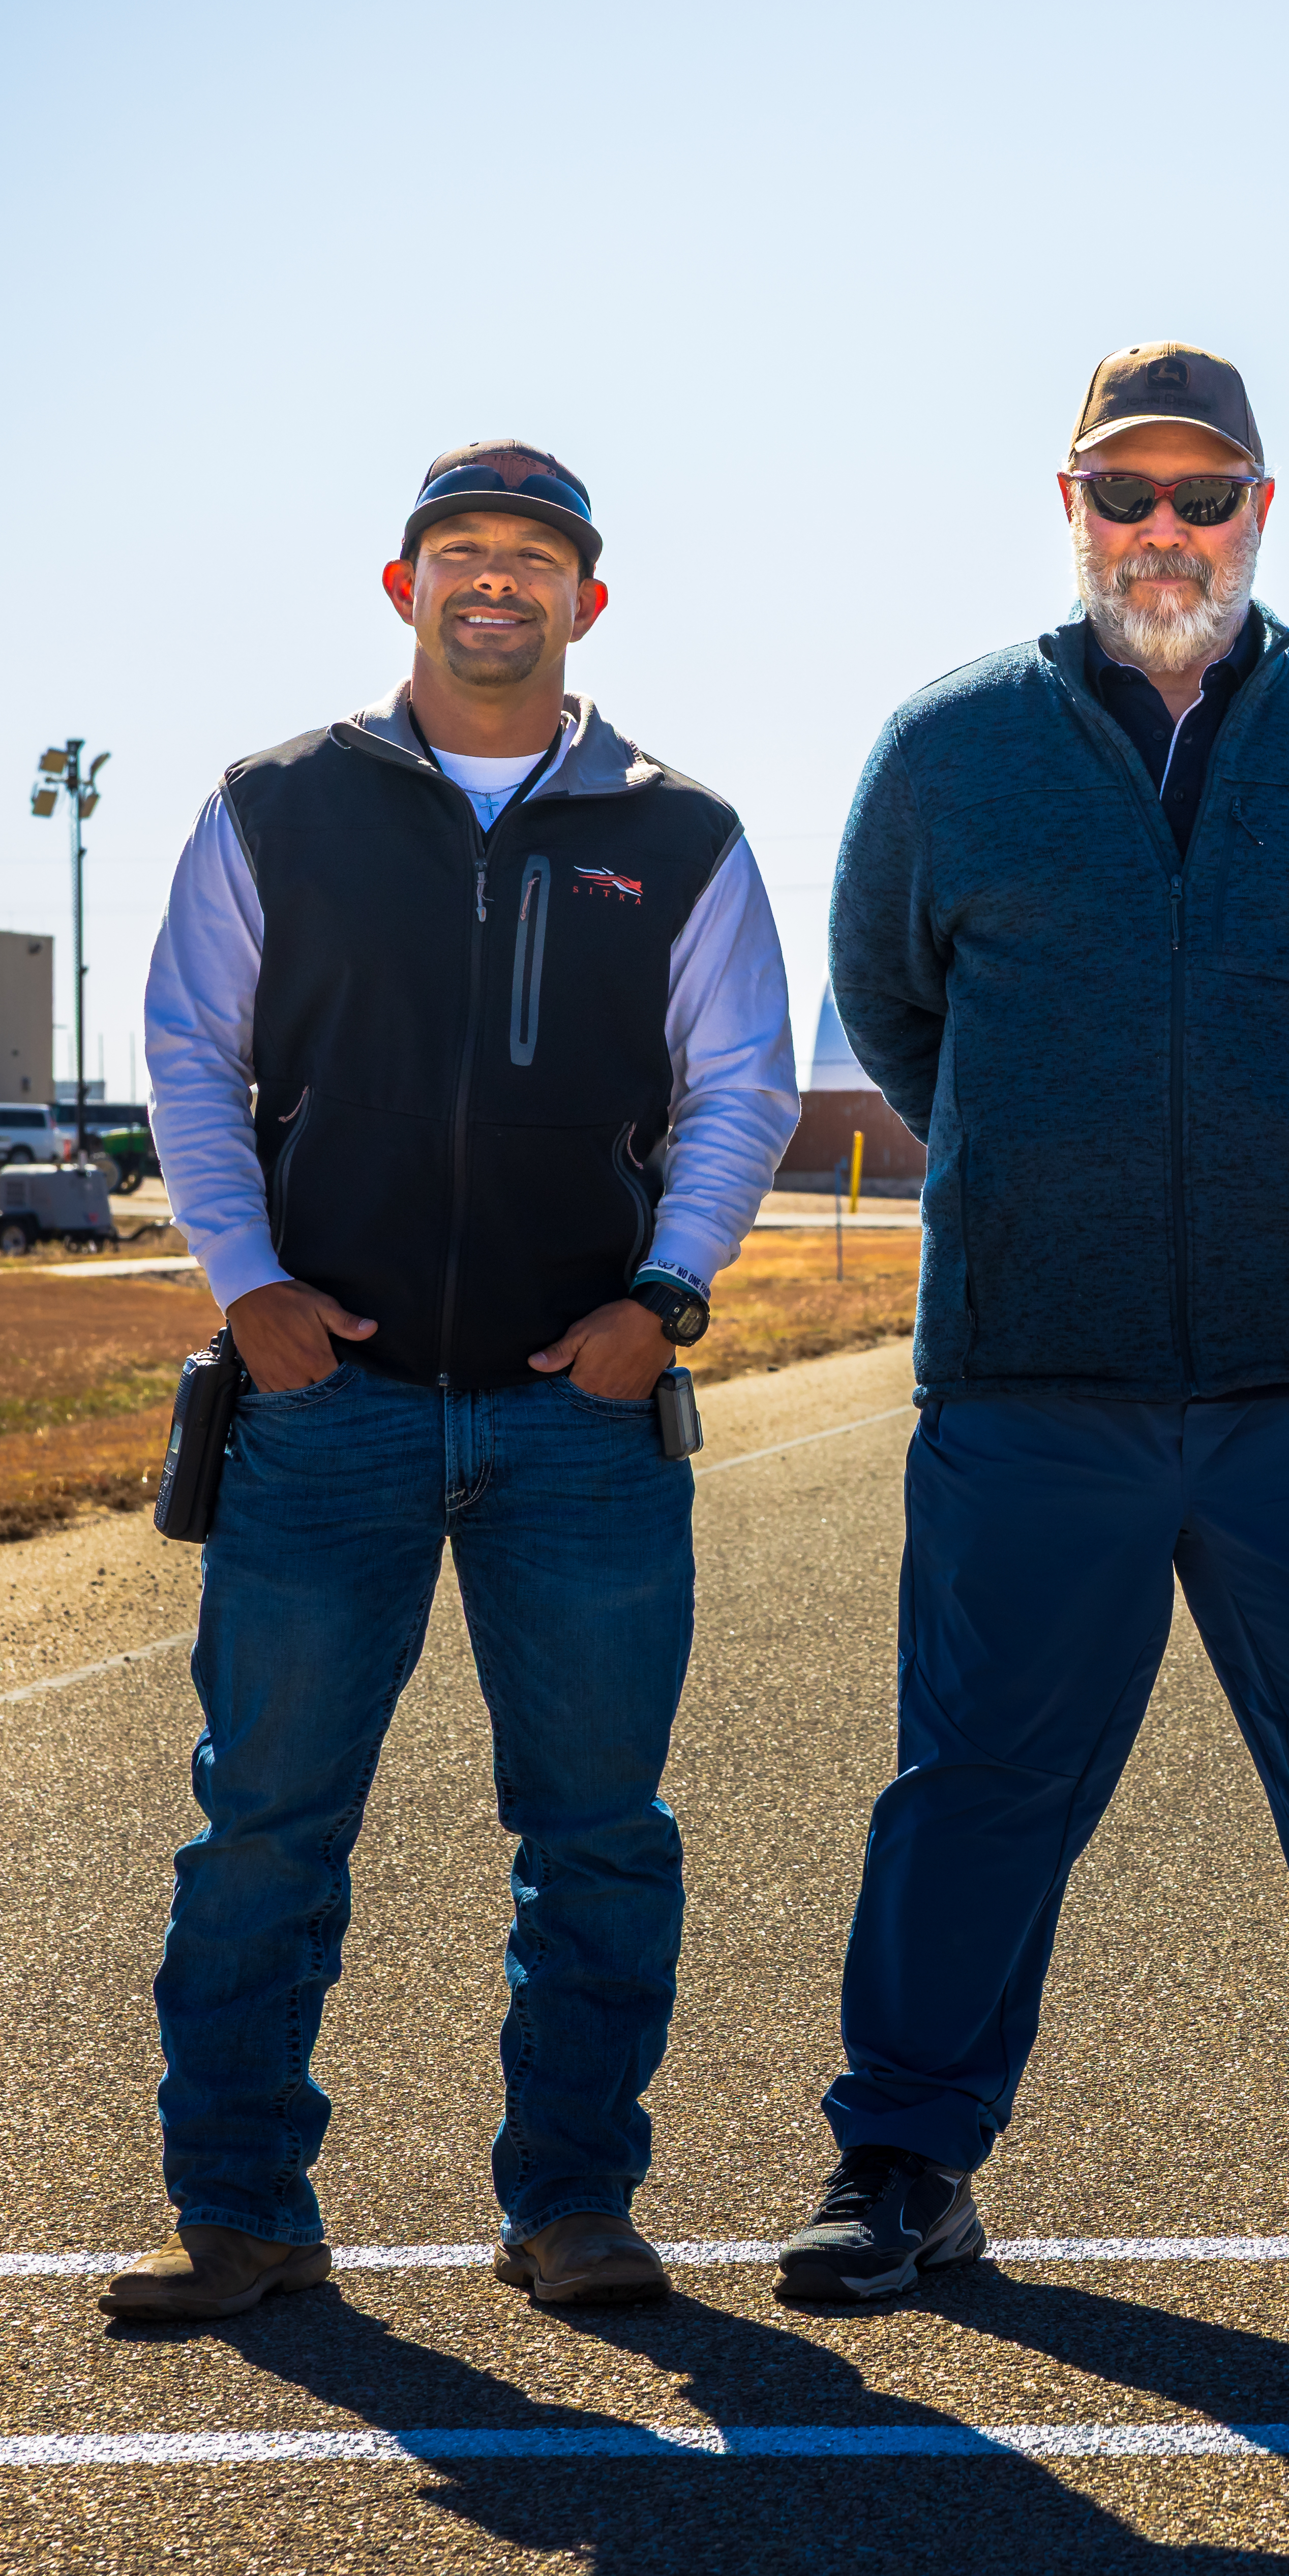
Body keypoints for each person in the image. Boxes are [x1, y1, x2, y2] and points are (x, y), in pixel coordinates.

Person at [790, 342, 1289, 2301]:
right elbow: (901, 1020)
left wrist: (1283, 1152)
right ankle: (903, 2154)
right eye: (1123, 493)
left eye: (1203, 493)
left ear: (1261, 509)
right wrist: (1050, 1171)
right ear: (1067, 509)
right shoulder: (946, 751)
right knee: (975, 1782)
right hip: (1027, 1380)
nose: (1164, 530)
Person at [111, 443, 801, 2321]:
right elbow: (191, 1052)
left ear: (590, 602)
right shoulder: (278, 806)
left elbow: (739, 1086)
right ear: (400, 587)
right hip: (320, 1408)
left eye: (533, 560)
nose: (495, 584)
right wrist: (245, 1284)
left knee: (595, 1837)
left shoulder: (683, 834)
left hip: (575, 1416)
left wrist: (662, 1297)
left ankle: (573, 2204)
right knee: (264, 1829)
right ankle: (239, 2212)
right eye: (460, 555)